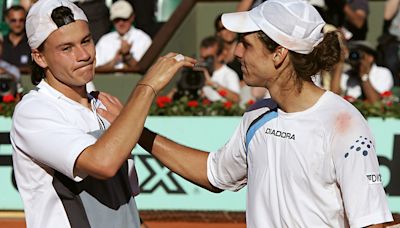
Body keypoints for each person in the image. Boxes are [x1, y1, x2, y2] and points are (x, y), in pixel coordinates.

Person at [137, 1, 394, 227]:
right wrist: (136, 130)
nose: (237, 52)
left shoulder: (345, 125)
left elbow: (371, 223)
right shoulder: (257, 114)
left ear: (279, 54)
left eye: (246, 44)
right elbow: (214, 173)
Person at [10, 0, 194, 227]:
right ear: (40, 57)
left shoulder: (105, 104)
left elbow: (123, 202)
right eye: (66, 48)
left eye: (86, 41)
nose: (83, 55)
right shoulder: (34, 110)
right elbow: (103, 163)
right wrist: (147, 88)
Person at [95, 0, 152, 72]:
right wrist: (114, 61)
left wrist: (127, 56)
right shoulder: (104, 41)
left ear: (132, 17)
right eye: (117, 20)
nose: (121, 23)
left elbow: (146, 70)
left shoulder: (143, 39)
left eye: (124, 19)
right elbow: (94, 70)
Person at [2, 5, 31, 73]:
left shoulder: (32, 43)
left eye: (21, 20)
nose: (17, 24)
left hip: (26, 83)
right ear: (7, 20)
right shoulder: (1, 43)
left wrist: (8, 70)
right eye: (13, 20)